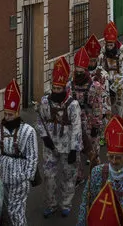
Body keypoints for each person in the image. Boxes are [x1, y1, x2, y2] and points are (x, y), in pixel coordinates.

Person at [0, 79, 38, 226]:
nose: (7, 118)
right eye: (6, 114)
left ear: (17, 112)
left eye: (11, 114)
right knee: (3, 214)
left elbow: (33, 158)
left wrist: (26, 177)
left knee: (16, 213)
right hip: (2, 179)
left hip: (19, 180)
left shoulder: (28, 131)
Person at [37, 56, 82, 218]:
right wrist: (44, 137)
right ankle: (51, 204)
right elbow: (40, 120)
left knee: (68, 176)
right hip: (50, 145)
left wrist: (73, 149)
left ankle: (66, 203)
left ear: (65, 88)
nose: (56, 92)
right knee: (49, 176)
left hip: (68, 145)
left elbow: (77, 128)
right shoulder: (45, 102)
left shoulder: (73, 105)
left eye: (59, 89)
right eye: (54, 88)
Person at [69, 46, 104, 182]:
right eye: (76, 70)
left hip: (89, 122)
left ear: (86, 70)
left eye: (81, 70)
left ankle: (96, 176)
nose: (78, 73)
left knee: (93, 152)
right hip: (75, 123)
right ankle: (78, 176)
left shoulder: (95, 87)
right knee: (76, 151)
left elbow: (97, 107)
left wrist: (96, 126)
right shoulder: (69, 85)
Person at [98, 21, 123, 120]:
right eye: (107, 45)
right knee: (108, 107)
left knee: (120, 106)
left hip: (119, 84)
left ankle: (122, 125)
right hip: (107, 83)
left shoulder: (122, 50)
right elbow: (100, 66)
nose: (109, 47)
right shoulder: (103, 50)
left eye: (111, 45)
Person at [84, 34, 112, 146]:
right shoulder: (82, 74)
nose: (91, 63)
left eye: (93, 60)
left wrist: (106, 110)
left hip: (99, 106)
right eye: (89, 60)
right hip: (86, 106)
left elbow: (106, 94)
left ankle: (101, 138)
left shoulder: (103, 74)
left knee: (100, 126)